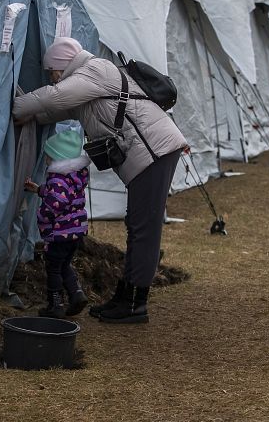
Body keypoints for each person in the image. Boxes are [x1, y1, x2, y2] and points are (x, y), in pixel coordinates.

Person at [13, 37, 187, 324]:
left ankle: (134, 304)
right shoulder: (89, 81)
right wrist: (33, 116)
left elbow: (55, 97)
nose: (52, 77)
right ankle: (127, 295)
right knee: (138, 225)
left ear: (62, 65)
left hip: (154, 152)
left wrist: (18, 108)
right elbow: (57, 109)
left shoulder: (94, 72)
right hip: (152, 153)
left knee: (143, 229)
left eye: (52, 71)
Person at [24, 129, 90, 318]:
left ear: (58, 158)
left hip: (60, 233)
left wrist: (43, 218)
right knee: (64, 265)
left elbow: (56, 203)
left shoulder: (57, 179)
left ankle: (55, 305)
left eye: (48, 156)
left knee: (53, 268)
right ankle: (76, 294)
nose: (46, 160)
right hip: (75, 233)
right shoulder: (74, 177)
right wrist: (39, 190)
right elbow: (62, 195)